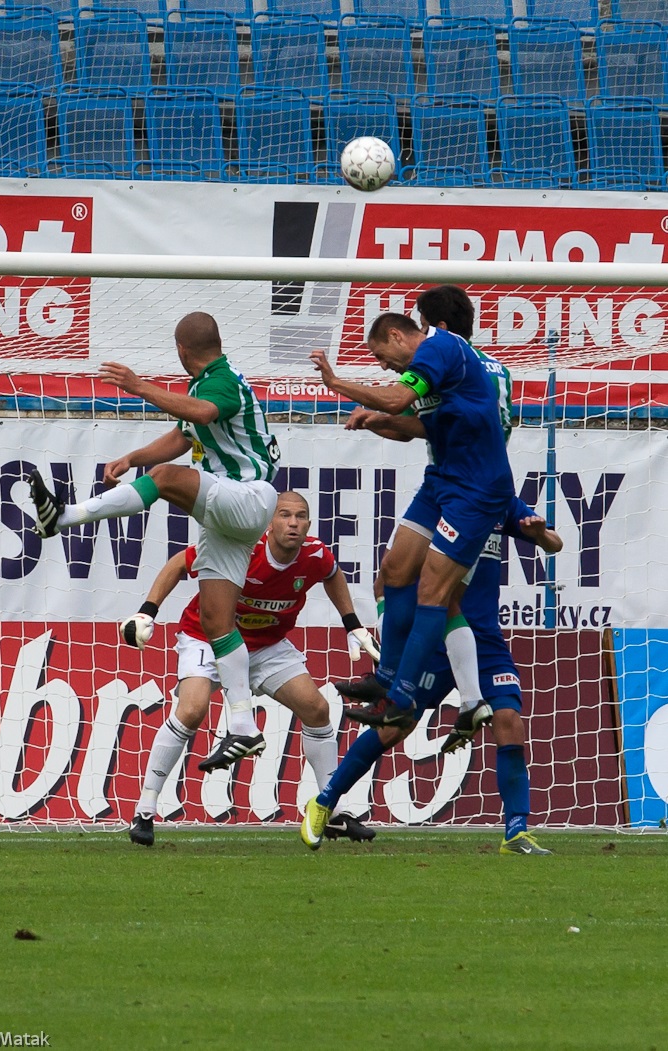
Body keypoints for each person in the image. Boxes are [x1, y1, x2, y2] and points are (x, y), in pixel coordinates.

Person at [29, 311, 281, 772]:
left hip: (248, 495)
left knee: (163, 479)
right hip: (232, 511)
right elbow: (182, 436)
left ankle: (63, 517)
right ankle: (244, 729)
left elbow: (203, 414)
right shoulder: (203, 386)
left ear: (183, 351)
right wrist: (132, 456)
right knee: (216, 620)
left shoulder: (221, 381)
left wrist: (140, 386)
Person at [301, 495, 562, 856]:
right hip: (436, 642)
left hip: (485, 640)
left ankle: (516, 831)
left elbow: (554, 543)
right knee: (394, 727)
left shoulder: (502, 501)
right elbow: (385, 581)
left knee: (509, 721)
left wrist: (539, 534)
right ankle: (325, 801)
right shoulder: (437, 504)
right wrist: (392, 645)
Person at [122, 490, 380, 847]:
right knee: (192, 710)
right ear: (269, 522)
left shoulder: (315, 554)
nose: (293, 523)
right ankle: (145, 810)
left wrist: (352, 623)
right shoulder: (244, 548)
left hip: (267, 646)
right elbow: (180, 563)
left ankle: (330, 811)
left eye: (300, 516)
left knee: (317, 709)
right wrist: (147, 611)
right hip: (208, 638)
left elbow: (333, 574)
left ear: (309, 523)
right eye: (285, 515)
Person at [310, 297, 515, 736]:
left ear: (398, 335)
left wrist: (336, 383)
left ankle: (402, 700)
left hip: (476, 488)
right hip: (442, 477)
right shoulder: (437, 366)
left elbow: (398, 396)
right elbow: (423, 426)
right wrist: (378, 419)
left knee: (433, 591)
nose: (383, 367)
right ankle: (386, 678)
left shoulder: (440, 347)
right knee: (394, 571)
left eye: (382, 357)